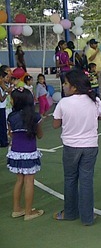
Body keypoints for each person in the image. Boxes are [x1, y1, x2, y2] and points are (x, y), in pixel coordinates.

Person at [53, 70, 101, 225]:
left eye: (66, 83)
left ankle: (69, 213)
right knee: (86, 181)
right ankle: (87, 217)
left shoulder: (64, 103)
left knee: (70, 179)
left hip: (71, 146)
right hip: (90, 146)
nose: (63, 86)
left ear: (74, 87)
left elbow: (56, 124)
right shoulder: (94, 100)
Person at [6, 88, 44, 220]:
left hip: (15, 152)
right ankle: (28, 212)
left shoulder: (11, 116)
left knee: (19, 181)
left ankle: (16, 209)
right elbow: (40, 135)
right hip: (29, 152)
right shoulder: (35, 117)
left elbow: (10, 134)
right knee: (29, 181)